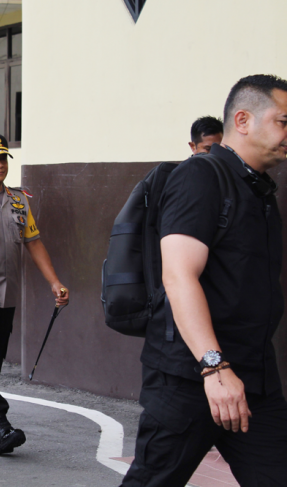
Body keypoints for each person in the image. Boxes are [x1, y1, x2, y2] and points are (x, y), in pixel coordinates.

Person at [121, 74, 287, 486]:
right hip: (191, 379)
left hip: (254, 378)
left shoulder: (259, 188)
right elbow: (179, 275)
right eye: (284, 121)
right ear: (244, 120)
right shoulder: (202, 176)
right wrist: (214, 370)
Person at [0, 133, 70, 454]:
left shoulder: (19, 200)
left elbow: (33, 242)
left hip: (7, 297)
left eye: (3, 158)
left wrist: (53, 282)